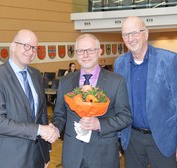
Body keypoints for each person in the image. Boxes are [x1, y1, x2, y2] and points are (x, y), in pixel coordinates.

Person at [114, 16, 177, 168]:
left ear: (146, 34)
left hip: (164, 139)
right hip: (132, 139)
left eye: (135, 33)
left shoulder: (169, 60)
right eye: (126, 34)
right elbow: (119, 104)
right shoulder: (120, 63)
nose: (130, 38)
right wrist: (117, 139)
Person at [51, 34, 132, 168]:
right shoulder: (65, 81)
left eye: (90, 50)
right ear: (76, 54)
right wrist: (54, 128)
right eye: (81, 51)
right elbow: (59, 115)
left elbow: (125, 117)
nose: (85, 54)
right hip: (73, 154)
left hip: (103, 154)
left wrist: (99, 124)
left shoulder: (116, 81)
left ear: (99, 52)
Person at [0, 29, 60, 168]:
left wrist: (45, 150)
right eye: (26, 46)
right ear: (13, 46)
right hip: (10, 157)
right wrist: (39, 130)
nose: (31, 52)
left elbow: (41, 114)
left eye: (35, 48)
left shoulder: (36, 74)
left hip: (37, 155)